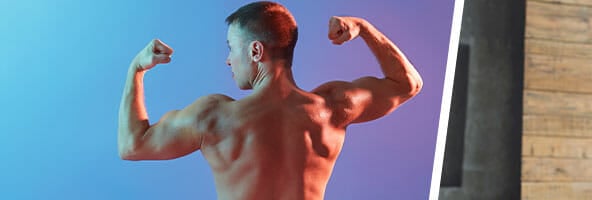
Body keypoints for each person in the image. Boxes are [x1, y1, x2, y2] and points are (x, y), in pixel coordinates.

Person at [116, 1, 423, 199]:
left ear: (255, 52)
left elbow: (132, 146)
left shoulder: (214, 117)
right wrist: (364, 28)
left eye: (231, 49)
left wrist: (137, 69)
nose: (228, 60)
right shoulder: (332, 108)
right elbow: (408, 84)